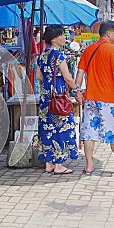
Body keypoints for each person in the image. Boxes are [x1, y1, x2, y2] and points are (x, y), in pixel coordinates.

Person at [75, 20, 114, 174]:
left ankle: (89, 165)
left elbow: (80, 72)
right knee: (113, 132)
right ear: (109, 33)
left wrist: (77, 91)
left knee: (89, 132)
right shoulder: (113, 50)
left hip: (91, 98)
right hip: (108, 98)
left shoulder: (88, 50)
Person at [35, 25, 79, 175]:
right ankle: (59, 165)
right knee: (61, 127)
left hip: (46, 94)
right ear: (54, 39)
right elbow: (67, 76)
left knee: (47, 128)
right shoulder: (59, 55)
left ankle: (49, 163)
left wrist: (47, 85)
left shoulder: (42, 55)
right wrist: (77, 89)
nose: (64, 37)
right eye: (62, 35)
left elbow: (39, 77)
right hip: (58, 93)